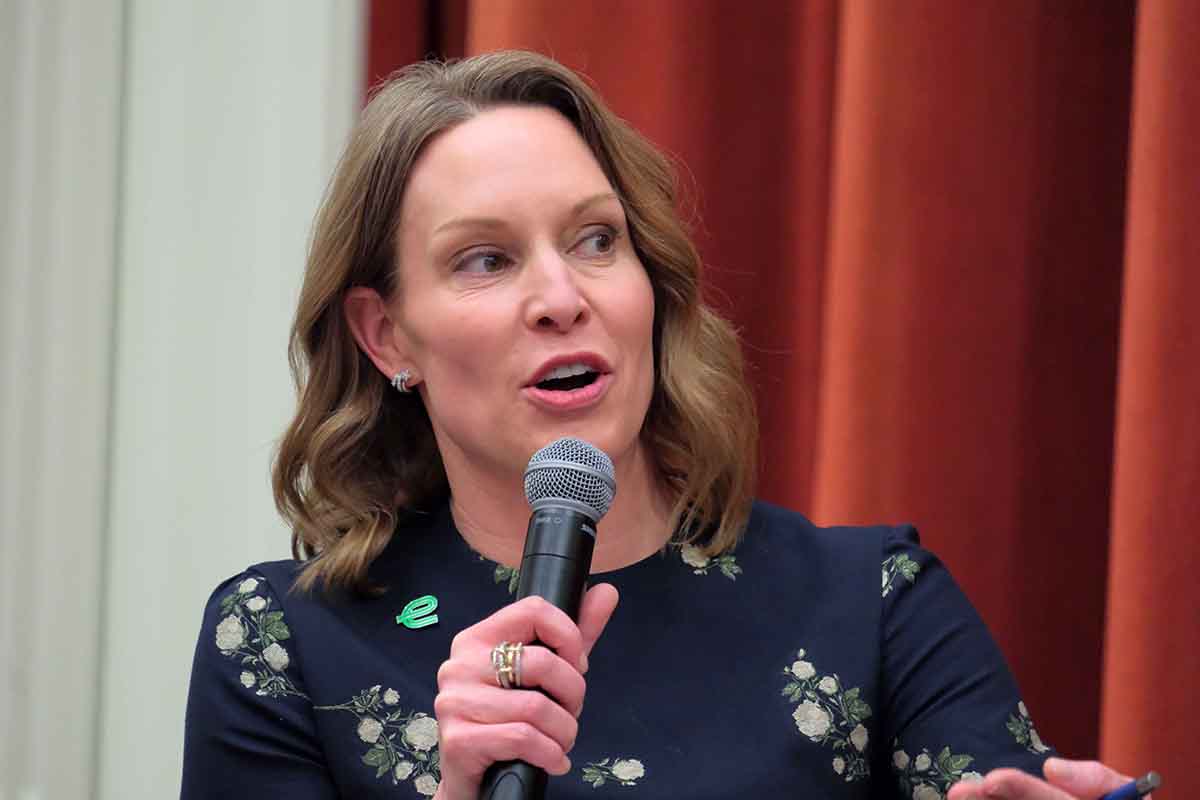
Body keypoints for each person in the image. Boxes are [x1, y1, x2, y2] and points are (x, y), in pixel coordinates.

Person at [181, 50, 1147, 800]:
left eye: (596, 240)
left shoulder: (877, 610)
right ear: (387, 335)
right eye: (486, 260)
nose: (562, 296)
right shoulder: (283, 647)